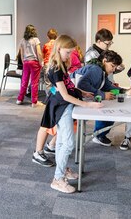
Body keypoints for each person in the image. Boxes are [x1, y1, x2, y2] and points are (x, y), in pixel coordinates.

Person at [39, 35, 103, 193]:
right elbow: (65, 95)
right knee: (67, 144)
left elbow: (68, 87)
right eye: (68, 52)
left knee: (61, 141)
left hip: (65, 105)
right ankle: (58, 179)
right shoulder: (55, 68)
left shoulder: (61, 65)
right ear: (59, 49)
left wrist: (83, 92)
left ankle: (62, 169)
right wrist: (88, 105)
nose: (70, 56)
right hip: (61, 107)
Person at [84, 28, 124, 147]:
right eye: (107, 43)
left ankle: (101, 134)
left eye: (110, 43)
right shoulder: (91, 54)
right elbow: (93, 74)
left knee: (110, 110)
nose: (109, 45)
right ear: (98, 41)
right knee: (101, 111)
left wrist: (114, 69)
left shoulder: (105, 54)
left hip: (106, 83)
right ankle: (99, 134)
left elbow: (115, 69)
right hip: (97, 86)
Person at [16, 24, 43, 108]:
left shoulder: (22, 40)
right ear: (33, 31)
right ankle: (34, 102)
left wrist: (24, 62)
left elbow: (21, 53)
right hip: (34, 62)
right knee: (34, 82)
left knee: (24, 81)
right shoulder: (36, 40)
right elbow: (39, 52)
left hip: (26, 62)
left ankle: (19, 99)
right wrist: (41, 62)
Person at [42, 28, 58, 95]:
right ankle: (54, 95)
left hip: (47, 64)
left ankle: (49, 97)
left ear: (48, 36)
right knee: (55, 82)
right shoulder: (58, 45)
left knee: (48, 82)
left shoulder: (46, 45)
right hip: (55, 64)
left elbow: (43, 56)